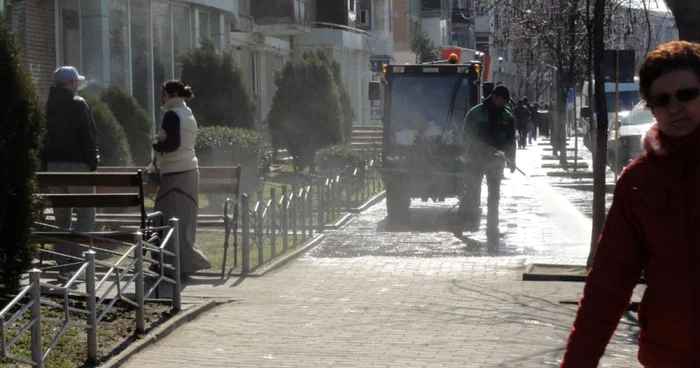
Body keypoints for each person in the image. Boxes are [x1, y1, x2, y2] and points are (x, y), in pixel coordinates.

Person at [561, 40, 700, 368]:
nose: (675, 106)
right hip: (668, 357)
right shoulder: (639, 183)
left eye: (687, 94)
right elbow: (608, 285)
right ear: (651, 108)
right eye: (662, 100)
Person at [42, 66, 99, 282]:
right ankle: (77, 262)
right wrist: (93, 163)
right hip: (77, 166)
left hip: (53, 167)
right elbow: (89, 135)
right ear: (73, 83)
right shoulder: (79, 104)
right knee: (86, 214)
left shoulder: (48, 106)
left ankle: (62, 264)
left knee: (62, 218)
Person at [151, 80, 211, 279]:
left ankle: (172, 265)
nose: (161, 96)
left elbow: (173, 144)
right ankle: (180, 264)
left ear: (172, 95)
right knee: (184, 221)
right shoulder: (187, 112)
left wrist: (156, 145)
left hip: (176, 174)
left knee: (166, 219)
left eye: (163, 93)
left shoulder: (171, 114)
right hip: (188, 171)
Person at [453, 85, 516, 248]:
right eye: (502, 100)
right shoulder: (476, 113)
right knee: (472, 192)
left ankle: (492, 228)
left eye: (505, 102)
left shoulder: (507, 117)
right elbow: (467, 136)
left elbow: (510, 140)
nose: (504, 104)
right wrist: (483, 148)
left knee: (494, 196)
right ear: (495, 97)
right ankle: (459, 224)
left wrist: (511, 159)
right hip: (476, 160)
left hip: (496, 162)